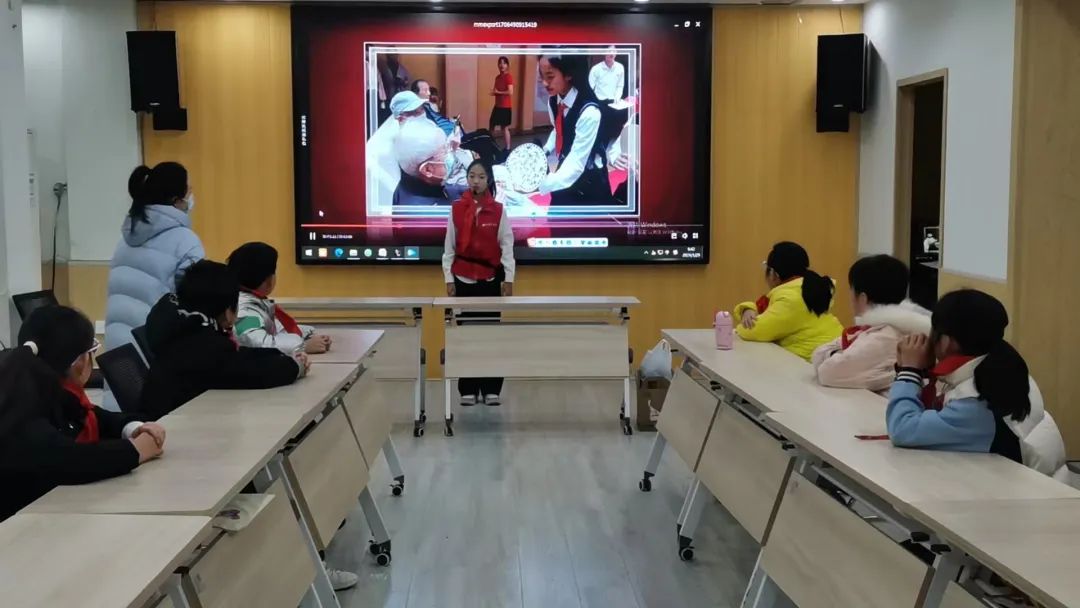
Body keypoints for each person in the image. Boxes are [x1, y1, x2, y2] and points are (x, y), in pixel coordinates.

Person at [0, 306, 165, 521]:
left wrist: (132, 428)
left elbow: (96, 415)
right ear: (80, 362)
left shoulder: (47, 390)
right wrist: (135, 451)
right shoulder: (22, 408)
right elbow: (68, 458)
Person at [888, 290, 1070, 481]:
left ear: (948, 342)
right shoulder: (1002, 369)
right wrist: (921, 371)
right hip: (1025, 484)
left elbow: (903, 430)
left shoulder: (976, 401)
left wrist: (909, 371)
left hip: (1022, 495)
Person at [139, 260, 310, 419]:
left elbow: (237, 357)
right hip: (174, 430)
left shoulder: (184, 325)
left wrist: (277, 354)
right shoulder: (205, 346)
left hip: (166, 419)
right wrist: (295, 366)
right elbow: (252, 374)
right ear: (228, 311)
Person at [104, 162, 204, 410]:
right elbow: (199, 300)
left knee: (126, 417)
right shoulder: (185, 241)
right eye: (189, 191)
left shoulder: (125, 238)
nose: (191, 197)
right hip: (158, 349)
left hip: (120, 356)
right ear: (176, 199)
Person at [442, 160, 515, 406]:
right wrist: (448, 278)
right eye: (472, 176)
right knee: (467, 336)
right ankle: (468, 389)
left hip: (490, 280)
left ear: (488, 180)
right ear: (467, 179)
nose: (476, 181)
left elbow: (507, 246)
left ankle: (491, 388)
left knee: (490, 336)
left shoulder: (498, 210)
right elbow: (449, 248)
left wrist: (509, 279)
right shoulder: (456, 209)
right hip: (463, 279)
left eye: (481, 177)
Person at [812, 255, 931, 393]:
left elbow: (827, 372)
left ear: (863, 298)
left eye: (851, 290)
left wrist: (837, 353)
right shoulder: (890, 327)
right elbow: (819, 354)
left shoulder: (884, 337)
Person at [734, 242, 842, 361]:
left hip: (813, 362)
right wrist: (747, 309)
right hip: (828, 354)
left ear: (773, 274)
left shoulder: (790, 299)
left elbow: (752, 330)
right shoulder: (808, 287)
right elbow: (764, 308)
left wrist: (742, 324)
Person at [227, 242, 332, 356]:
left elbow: (275, 329)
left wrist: (307, 334)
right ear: (268, 280)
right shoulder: (244, 312)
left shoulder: (252, 302)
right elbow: (259, 343)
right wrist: (303, 346)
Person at [538, 54, 614, 206]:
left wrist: (541, 183)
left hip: (590, 181)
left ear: (568, 74)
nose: (545, 83)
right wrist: (544, 150)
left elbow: (577, 161)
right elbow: (558, 129)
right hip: (564, 169)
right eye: (541, 76)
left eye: (550, 76)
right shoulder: (553, 101)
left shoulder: (589, 112)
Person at [392, 118, 467, 206]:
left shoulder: (410, 181)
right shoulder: (431, 211)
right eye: (445, 150)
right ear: (427, 170)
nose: (451, 153)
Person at [588, 48, 627, 165]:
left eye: (614, 51)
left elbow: (620, 86)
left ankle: (601, 156)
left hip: (613, 104)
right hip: (600, 103)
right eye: (608, 51)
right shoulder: (596, 69)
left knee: (608, 132)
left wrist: (617, 97)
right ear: (604, 53)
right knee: (597, 131)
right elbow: (590, 88)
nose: (611, 54)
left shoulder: (620, 67)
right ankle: (592, 156)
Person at [489, 56, 515, 151]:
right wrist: (494, 92)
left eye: (504, 63)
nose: (502, 65)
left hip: (505, 107)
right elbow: (496, 90)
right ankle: (490, 145)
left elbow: (510, 92)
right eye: (500, 63)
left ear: (507, 65)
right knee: (491, 125)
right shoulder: (497, 77)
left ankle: (508, 148)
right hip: (497, 106)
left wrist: (498, 92)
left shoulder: (508, 77)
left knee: (504, 128)